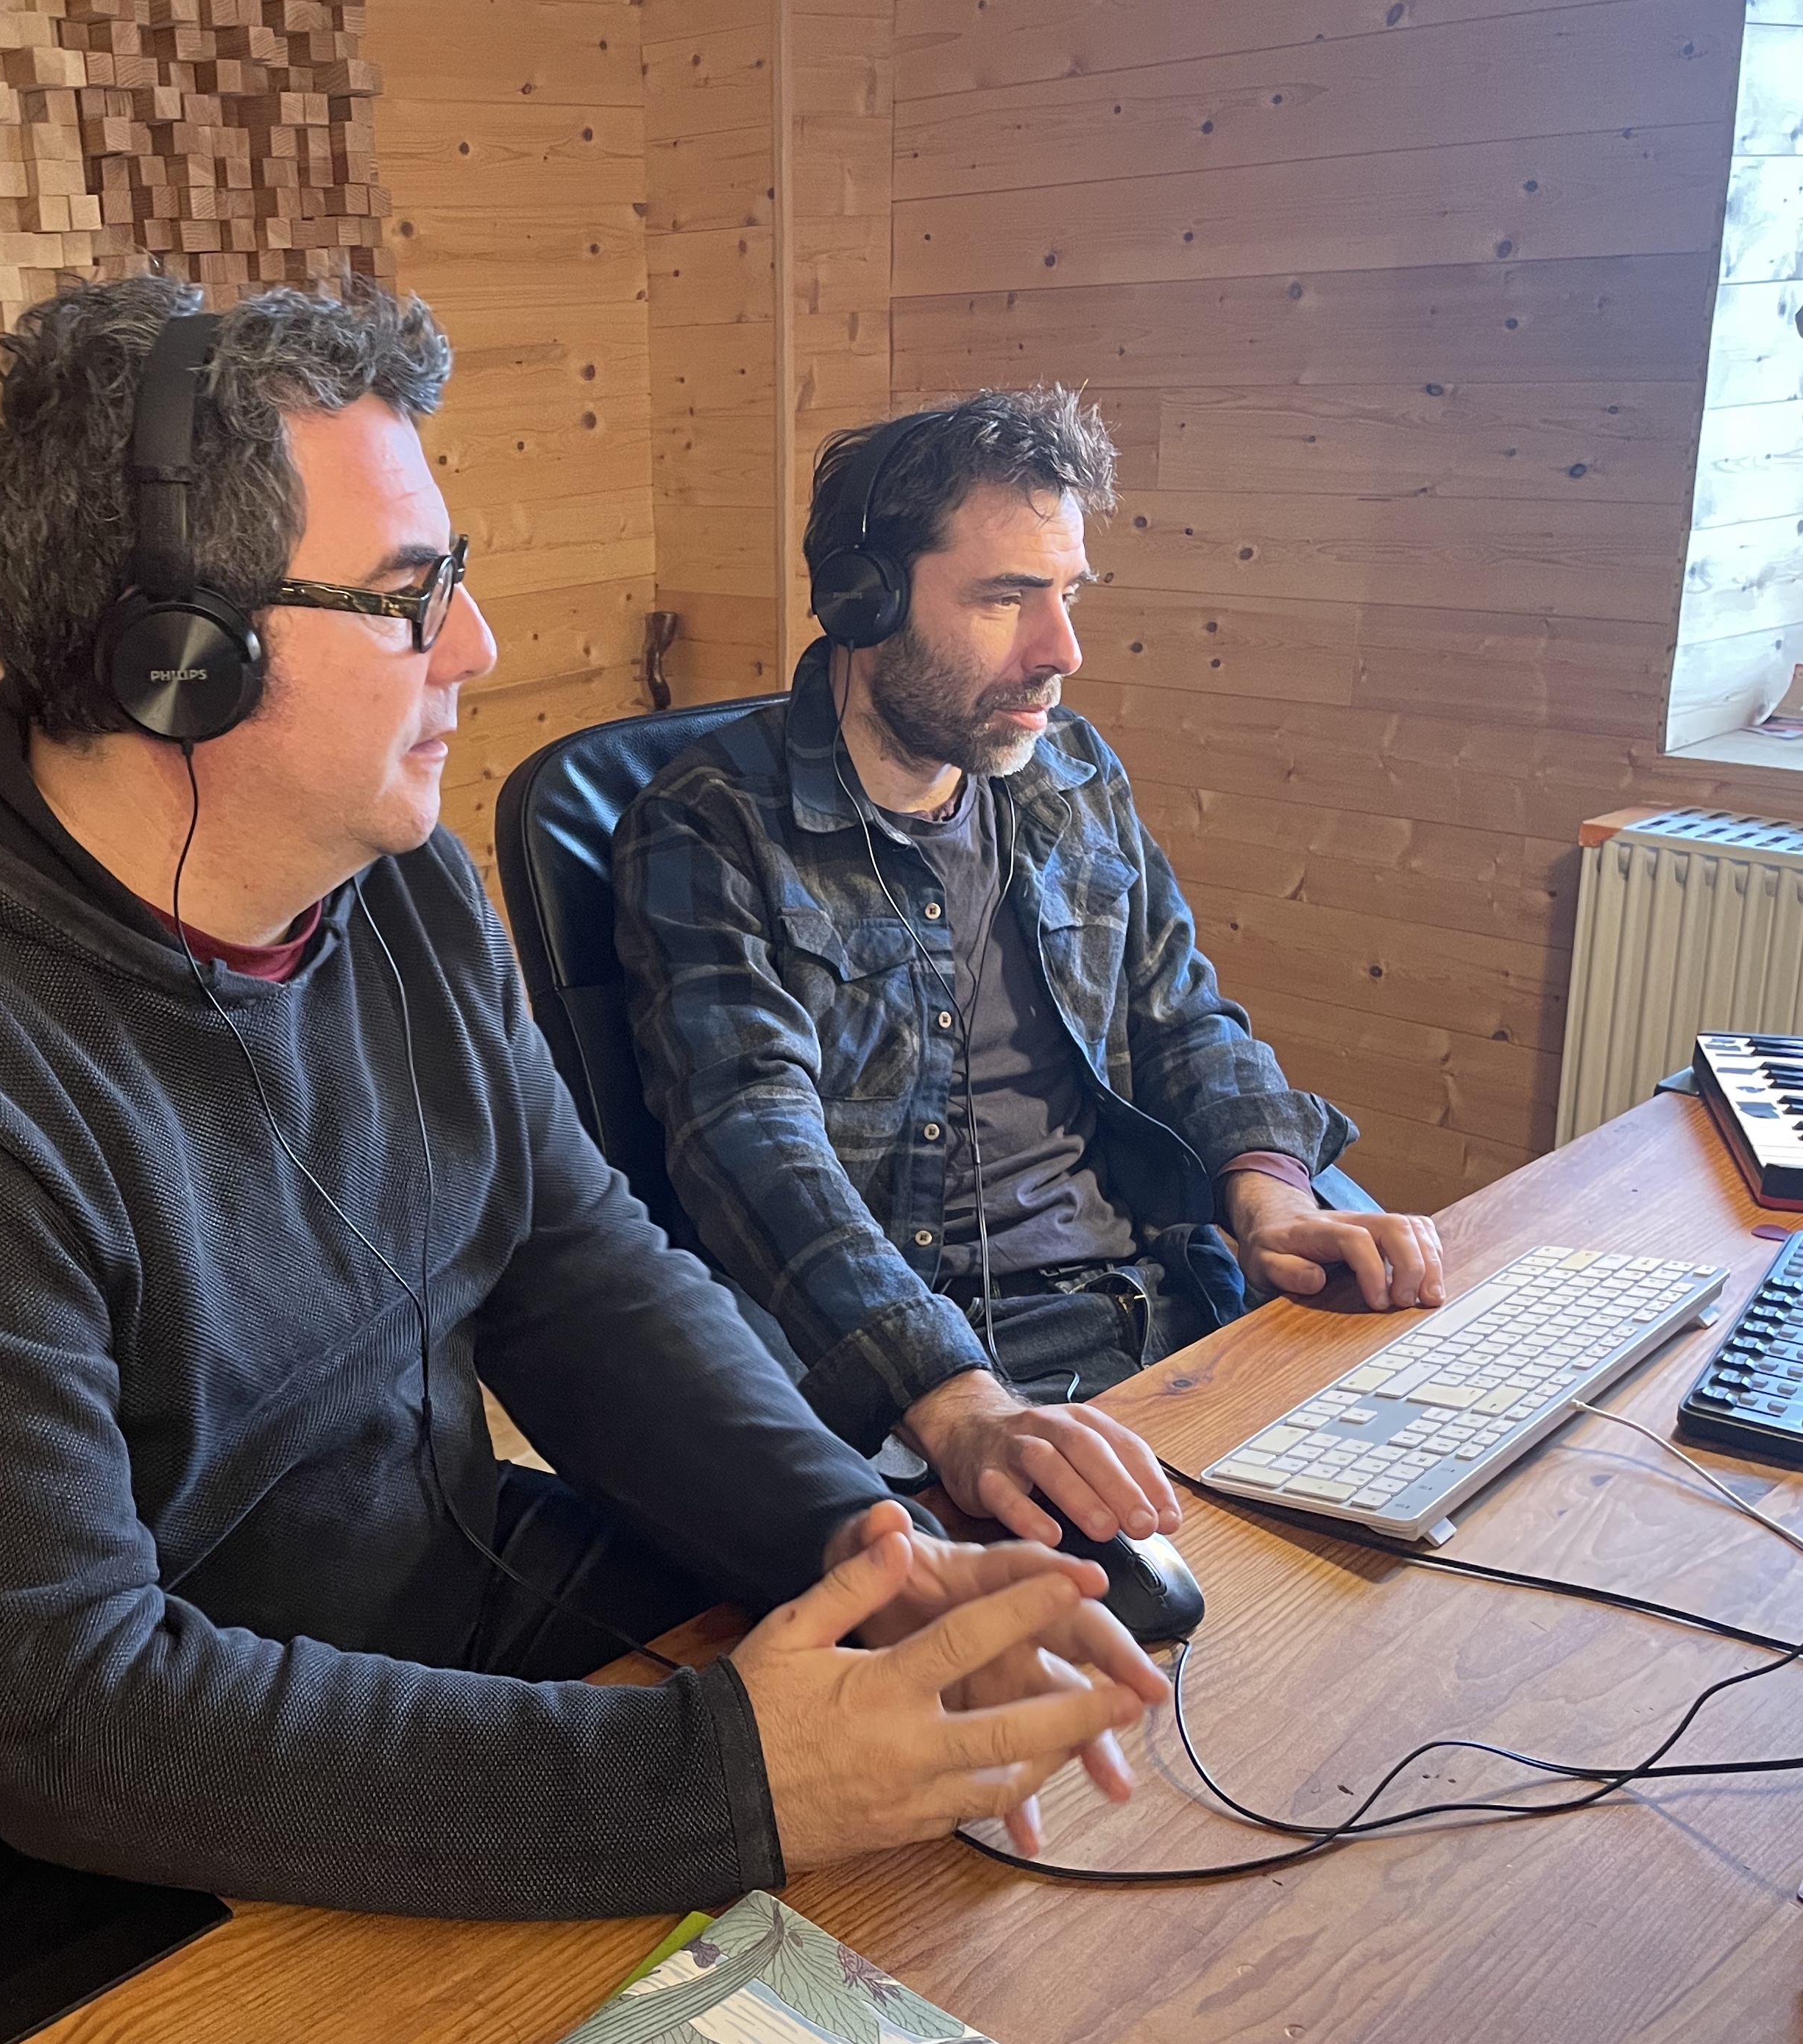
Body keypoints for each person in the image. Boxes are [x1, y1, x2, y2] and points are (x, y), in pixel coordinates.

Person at [0, 278, 1169, 2039]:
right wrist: (725, 1775)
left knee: (951, 1887)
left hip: (431, 1599)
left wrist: (863, 1544)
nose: (476, 647)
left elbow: (575, 1267)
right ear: (177, 658)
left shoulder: (398, 890)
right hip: (57, 1843)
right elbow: (74, 1720)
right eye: (406, 598)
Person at [614, 391, 1448, 1558]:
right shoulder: (713, 824)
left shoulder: (1071, 773)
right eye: (1007, 598)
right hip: (925, 1384)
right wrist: (952, 1396)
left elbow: (1181, 1016)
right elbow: (751, 1140)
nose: (1061, 651)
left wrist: (1272, 1198)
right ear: (863, 601)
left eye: (1069, 595)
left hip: (1169, 1305)